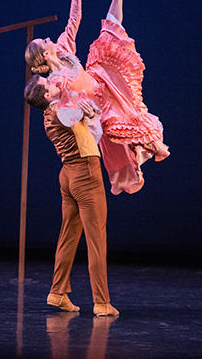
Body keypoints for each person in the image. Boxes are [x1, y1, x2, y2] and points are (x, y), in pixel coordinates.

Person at [25, 0, 169, 195]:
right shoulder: (54, 83)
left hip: (102, 79)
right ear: (43, 54)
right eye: (44, 42)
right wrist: (85, 118)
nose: (49, 39)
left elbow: (74, 21)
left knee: (110, 31)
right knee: (126, 129)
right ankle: (153, 149)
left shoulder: (62, 48)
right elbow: (66, 110)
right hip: (99, 108)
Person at [24, 74, 119, 317]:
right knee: (96, 238)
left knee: (69, 235)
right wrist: (90, 110)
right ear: (47, 96)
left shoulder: (49, 114)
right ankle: (101, 302)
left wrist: (87, 113)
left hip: (69, 176)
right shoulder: (61, 112)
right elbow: (84, 119)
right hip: (85, 174)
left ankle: (57, 293)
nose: (56, 82)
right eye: (50, 84)